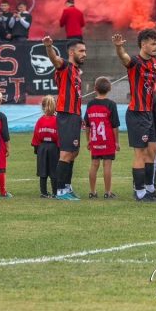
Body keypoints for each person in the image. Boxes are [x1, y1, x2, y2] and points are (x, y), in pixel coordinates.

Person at [112, 29, 156, 202]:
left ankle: (149, 188)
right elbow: (124, 57)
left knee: (152, 150)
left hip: (148, 113)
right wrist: (118, 47)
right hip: (136, 113)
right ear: (143, 45)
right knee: (140, 153)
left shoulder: (154, 62)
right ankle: (139, 192)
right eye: (153, 44)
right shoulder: (135, 62)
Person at [42, 36, 86, 200]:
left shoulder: (76, 71)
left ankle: (67, 187)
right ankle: (60, 191)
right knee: (66, 153)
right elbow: (55, 59)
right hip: (66, 115)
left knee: (73, 152)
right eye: (81, 51)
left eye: (85, 51)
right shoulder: (65, 66)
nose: (84, 54)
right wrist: (49, 47)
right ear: (71, 52)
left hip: (74, 115)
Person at [84, 77, 119, 199]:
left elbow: (87, 125)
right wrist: (117, 142)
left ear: (95, 89)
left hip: (95, 139)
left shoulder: (90, 104)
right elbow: (115, 126)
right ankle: (107, 192)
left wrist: (88, 140)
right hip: (107, 140)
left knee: (94, 164)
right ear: (109, 89)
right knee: (107, 165)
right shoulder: (111, 104)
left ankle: (92, 192)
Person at [31, 95, 59, 198]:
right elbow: (59, 136)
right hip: (54, 148)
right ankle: (55, 193)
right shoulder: (57, 120)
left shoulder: (40, 120)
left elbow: (36, 136)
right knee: (54, 171)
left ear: (42, 107)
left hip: (42, 147)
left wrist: (36, 149)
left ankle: (43, 192)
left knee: (43, 171)